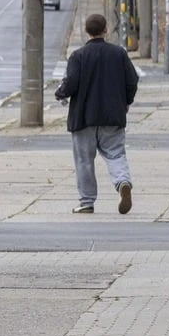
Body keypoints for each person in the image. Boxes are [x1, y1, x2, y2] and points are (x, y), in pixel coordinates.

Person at [54, 13, 140, 215]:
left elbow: (71, 83)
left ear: (86, 31)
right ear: (105, 30)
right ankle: (122, 182)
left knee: (84, 160)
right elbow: (132, 81)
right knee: (116, 153)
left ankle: (87, 201)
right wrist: (126, 102)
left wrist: (60, 93)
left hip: (84, 117)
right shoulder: (119, 54)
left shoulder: (78, 56)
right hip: (112, 116)